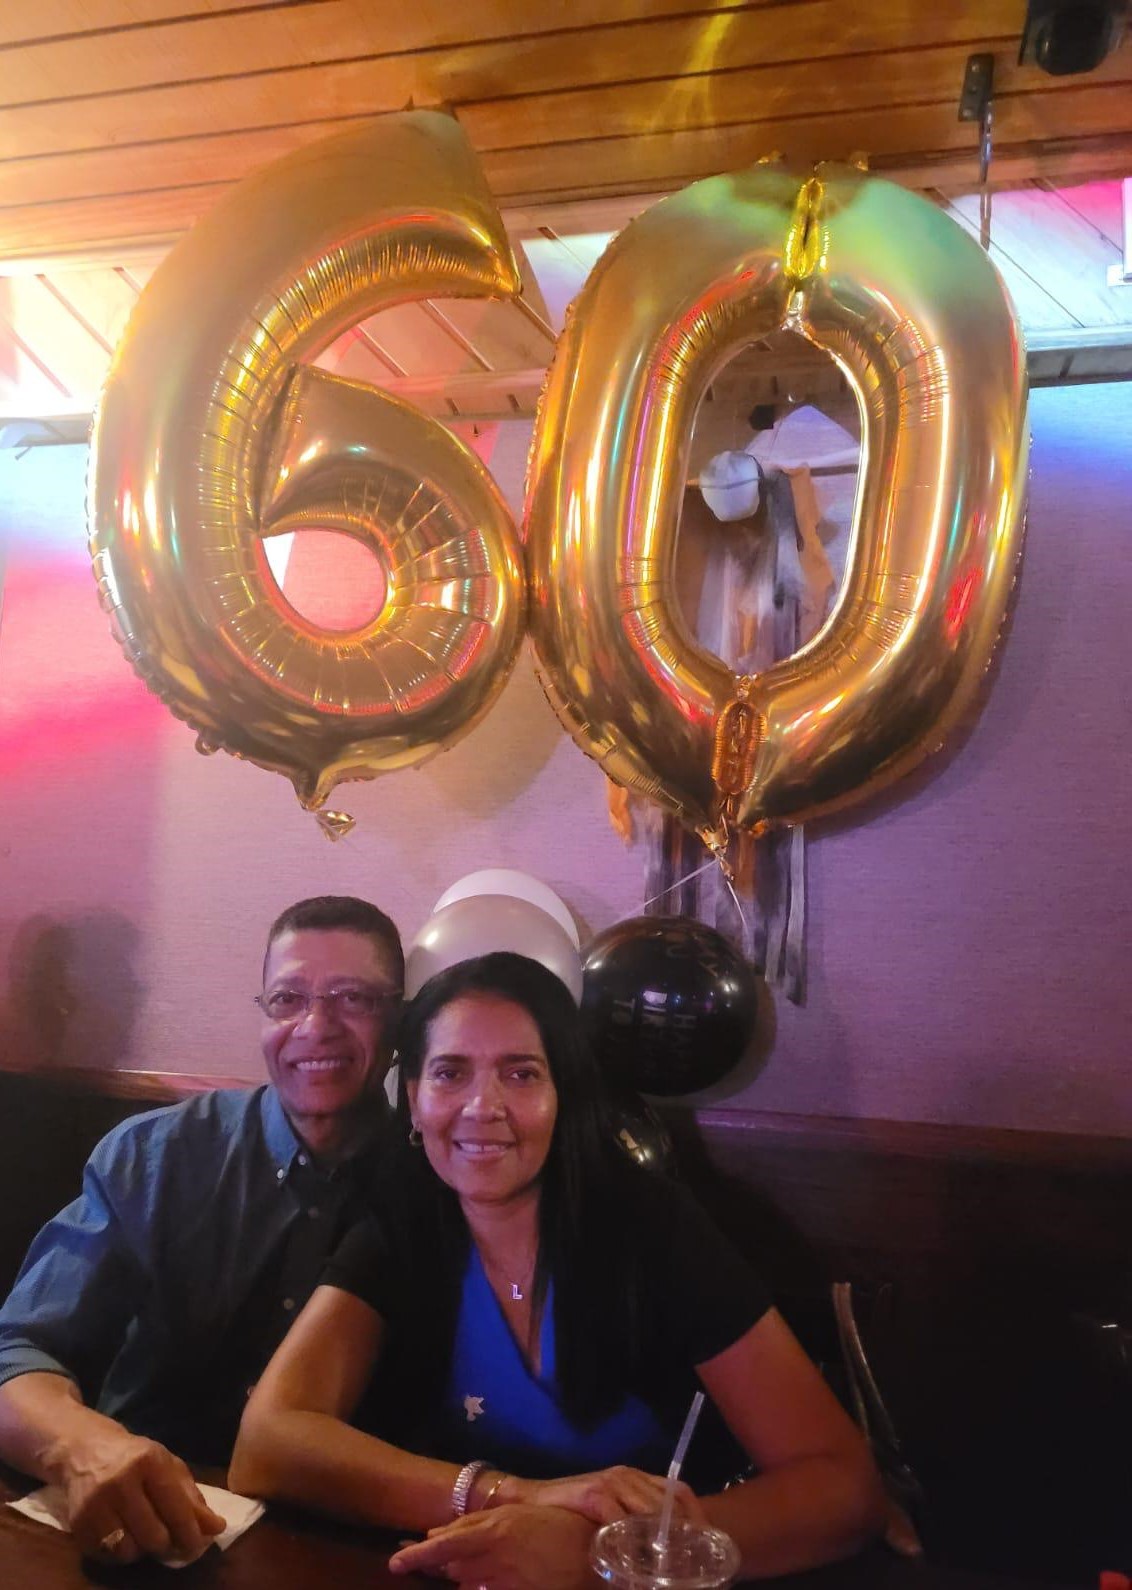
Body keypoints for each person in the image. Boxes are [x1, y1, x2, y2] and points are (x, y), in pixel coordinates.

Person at [230, 952, 885, 1585]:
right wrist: (516, 1496)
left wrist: (599, 1554)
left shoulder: (652, 1225)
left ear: (563, 1095)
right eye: (450, 1072)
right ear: (414, 1097)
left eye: (520, 1074)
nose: (481, 1106)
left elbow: (844, 1489)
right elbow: (266, 1444)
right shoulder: (401, 1222)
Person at [0, 894, 403, 1568]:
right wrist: (86, 1448)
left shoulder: (436, 1187)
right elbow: (17, 1353)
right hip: (133, 1526)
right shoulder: (155, 1157)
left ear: (400, 1021)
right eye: (288, 999)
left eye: (354, 999)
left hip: (336, 1548)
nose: (316, 1026)